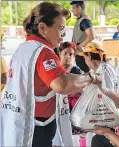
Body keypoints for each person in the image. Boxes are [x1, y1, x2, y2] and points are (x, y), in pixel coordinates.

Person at [0, 2, 97, 147]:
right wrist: (91, 78)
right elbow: (61, 84)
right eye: (61, 29)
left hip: (19, 119)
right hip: (38, 127)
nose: (64, 34)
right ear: (43, 28)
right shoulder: (43, 52)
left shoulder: (24, 48)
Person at [71, 1, 94, 73]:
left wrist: (78, 47)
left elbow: (91, 36)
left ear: (79, 8)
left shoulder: (84, 21)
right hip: (80, 54)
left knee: (85, 76)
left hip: (83, 54)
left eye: (73, 8)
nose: (72, 10)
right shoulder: (80, 20)